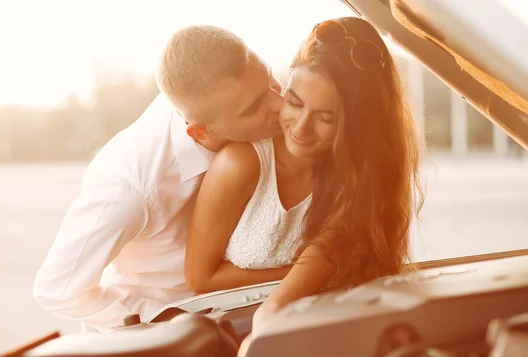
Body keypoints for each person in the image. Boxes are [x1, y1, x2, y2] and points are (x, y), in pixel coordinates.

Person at [32, 25, 285, 332]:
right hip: (166, 336)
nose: (280, 103)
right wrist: (163, 320)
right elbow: (57, 291)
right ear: (201, 131)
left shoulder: (209, 96)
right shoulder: (129, 185)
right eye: (256, 106)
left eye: (270, 79)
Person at [182, 17, 424, 331]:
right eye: (294, 102)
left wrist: (288, 296)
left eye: (325, 117)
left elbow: (328, 249)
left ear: (357, 126)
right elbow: (200, 278)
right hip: (231, 329)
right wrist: (299, 278)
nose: (301, 128)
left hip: (312, 321)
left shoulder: (355, 174)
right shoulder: (240, 163)